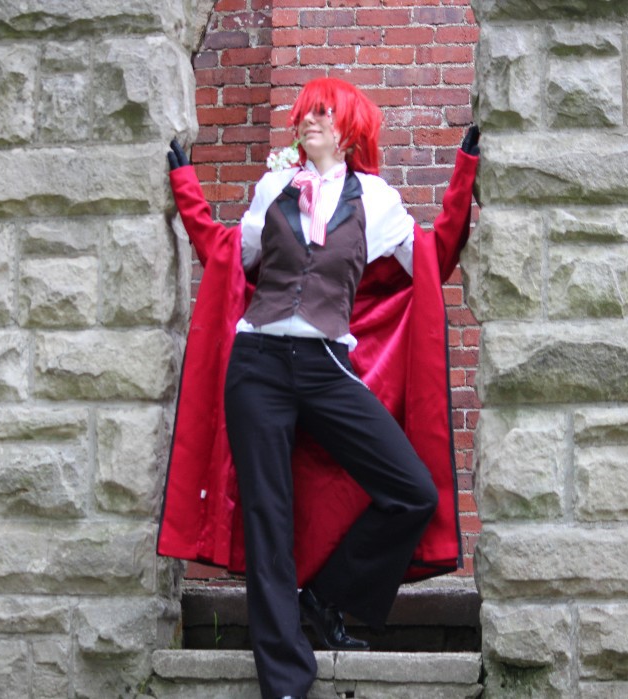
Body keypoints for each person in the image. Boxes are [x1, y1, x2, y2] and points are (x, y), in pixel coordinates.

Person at [157, 77, 479, 699]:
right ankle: (285, 680)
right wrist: (186, 186)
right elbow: (225, 255)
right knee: (268, 517)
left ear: (350, 130)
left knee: (411, 490)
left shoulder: (377, 201)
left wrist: (465, 170)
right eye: (306, 112)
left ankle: (326, 596)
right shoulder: (273, 188)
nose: (309, 121)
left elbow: (434, 257)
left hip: (327, 364)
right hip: (257, 364)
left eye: (323, 113)